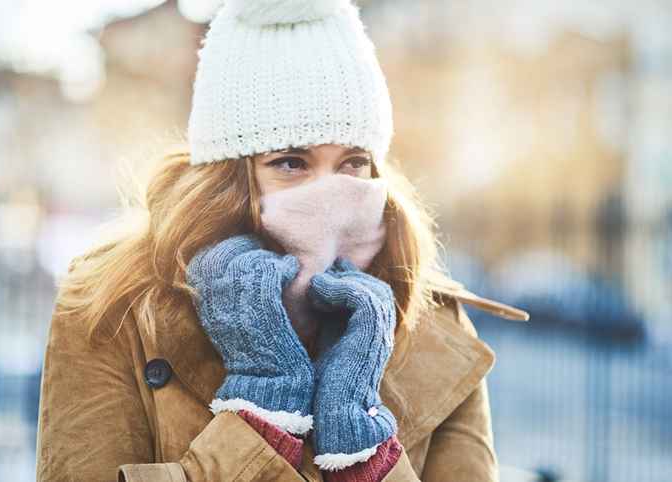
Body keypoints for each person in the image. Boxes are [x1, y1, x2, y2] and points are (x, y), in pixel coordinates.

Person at [34, 1, 530, 481]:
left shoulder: (435, 328)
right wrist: (260, 419)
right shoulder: (113, 307)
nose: (330, 193)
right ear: (226, 176)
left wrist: (364, 455)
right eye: (291, 162)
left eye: (353, 162)